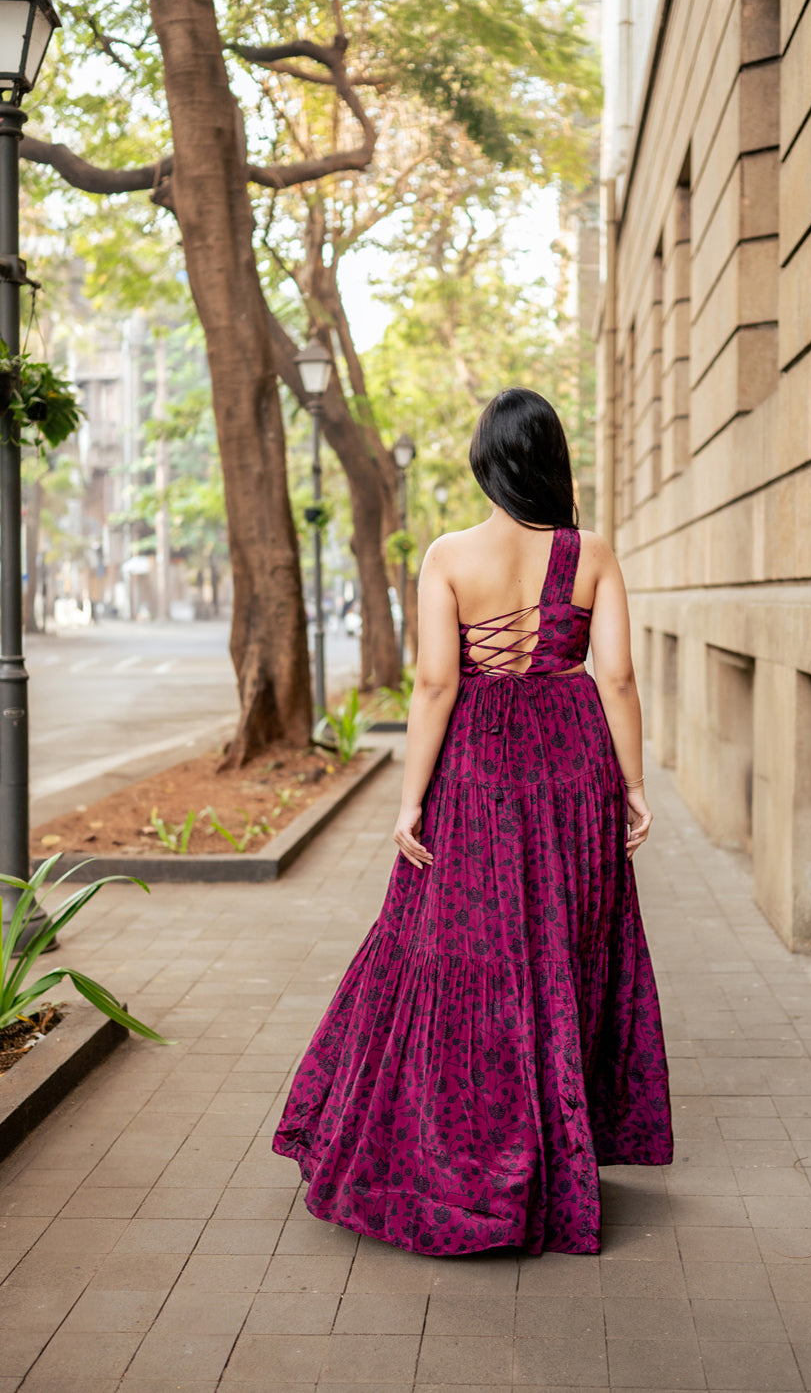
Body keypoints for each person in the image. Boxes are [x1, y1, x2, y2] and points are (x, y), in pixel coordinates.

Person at [273, 387, 673, 1256]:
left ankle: (458, 1151)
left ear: (486, 464)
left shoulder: (449, 557)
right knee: (560, 956)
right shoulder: (591, 552)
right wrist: (634, 782)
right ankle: (552, 1159)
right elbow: (619, 680)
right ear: (552, 461)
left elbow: (435, 685)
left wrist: (412, 797)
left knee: (455, 952)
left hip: (479, 772)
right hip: (572, 771)